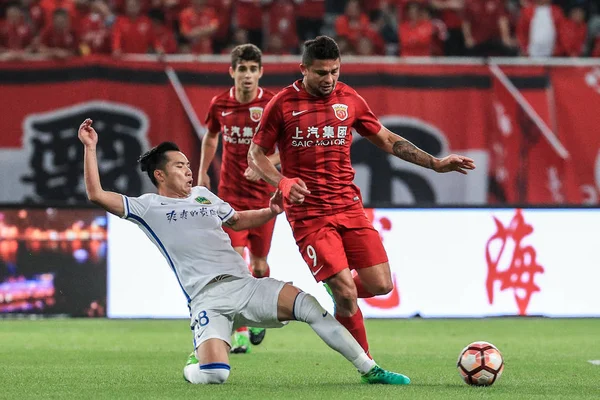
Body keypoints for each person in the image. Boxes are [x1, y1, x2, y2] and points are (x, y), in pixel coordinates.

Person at [77, 118, 409, 385]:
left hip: (246, 285)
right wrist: (90, 148)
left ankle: (370, 369)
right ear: (159, 175)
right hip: (207, 298)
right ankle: (193, 367)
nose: (189, 170)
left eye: (188, 164)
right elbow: (96, 194)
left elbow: (236, 221)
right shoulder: (147, 207)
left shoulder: (204, 195)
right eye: (180, 166)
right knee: (215, 375)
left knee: (309, 305)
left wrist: (270, 211)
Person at [249, 35, 475, 360]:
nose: (329, 80)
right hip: (309, 213)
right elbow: (255, 156)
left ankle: (341, 294)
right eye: (321, 73)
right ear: (304, 69)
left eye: (334, 72)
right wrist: (282, 182)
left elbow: (385, 139)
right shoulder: (283, 104)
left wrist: (435, 164)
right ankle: (367, 364)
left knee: (382, 285)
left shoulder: (349, 99)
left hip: (349, 205)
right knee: (346, 290)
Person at [198, 43, 280, 353]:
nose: (247, 76)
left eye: (252, 69)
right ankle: (241, 331)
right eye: (241, 69)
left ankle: (259, 317)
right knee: (235, 263)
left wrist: (265, 166)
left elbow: (288, 149)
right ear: (232, 72)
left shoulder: (272, 104)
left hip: (264, 200)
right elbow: (211, 135)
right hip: (229, 198)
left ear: (260, 72)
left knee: (259, 266)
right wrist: (204, 171)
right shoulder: (220, 104)